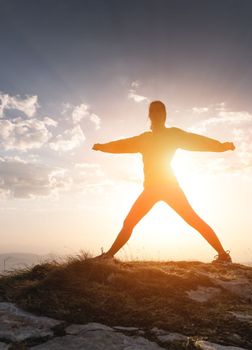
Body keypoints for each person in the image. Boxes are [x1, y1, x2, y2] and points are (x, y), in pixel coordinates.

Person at [92, 100, 235, 264]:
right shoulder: (144, 139)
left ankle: (223, 255)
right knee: (129, 222)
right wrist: (103, 147)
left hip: (170, 187)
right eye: (154, 111)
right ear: (149, 115)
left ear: (165, 115)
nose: (157, 114)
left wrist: (221, 146)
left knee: (193, 220)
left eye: (160, 111)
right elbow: (122, 145)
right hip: (151, 190)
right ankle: (109, 256)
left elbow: (197, 141)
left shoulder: (173, 135)